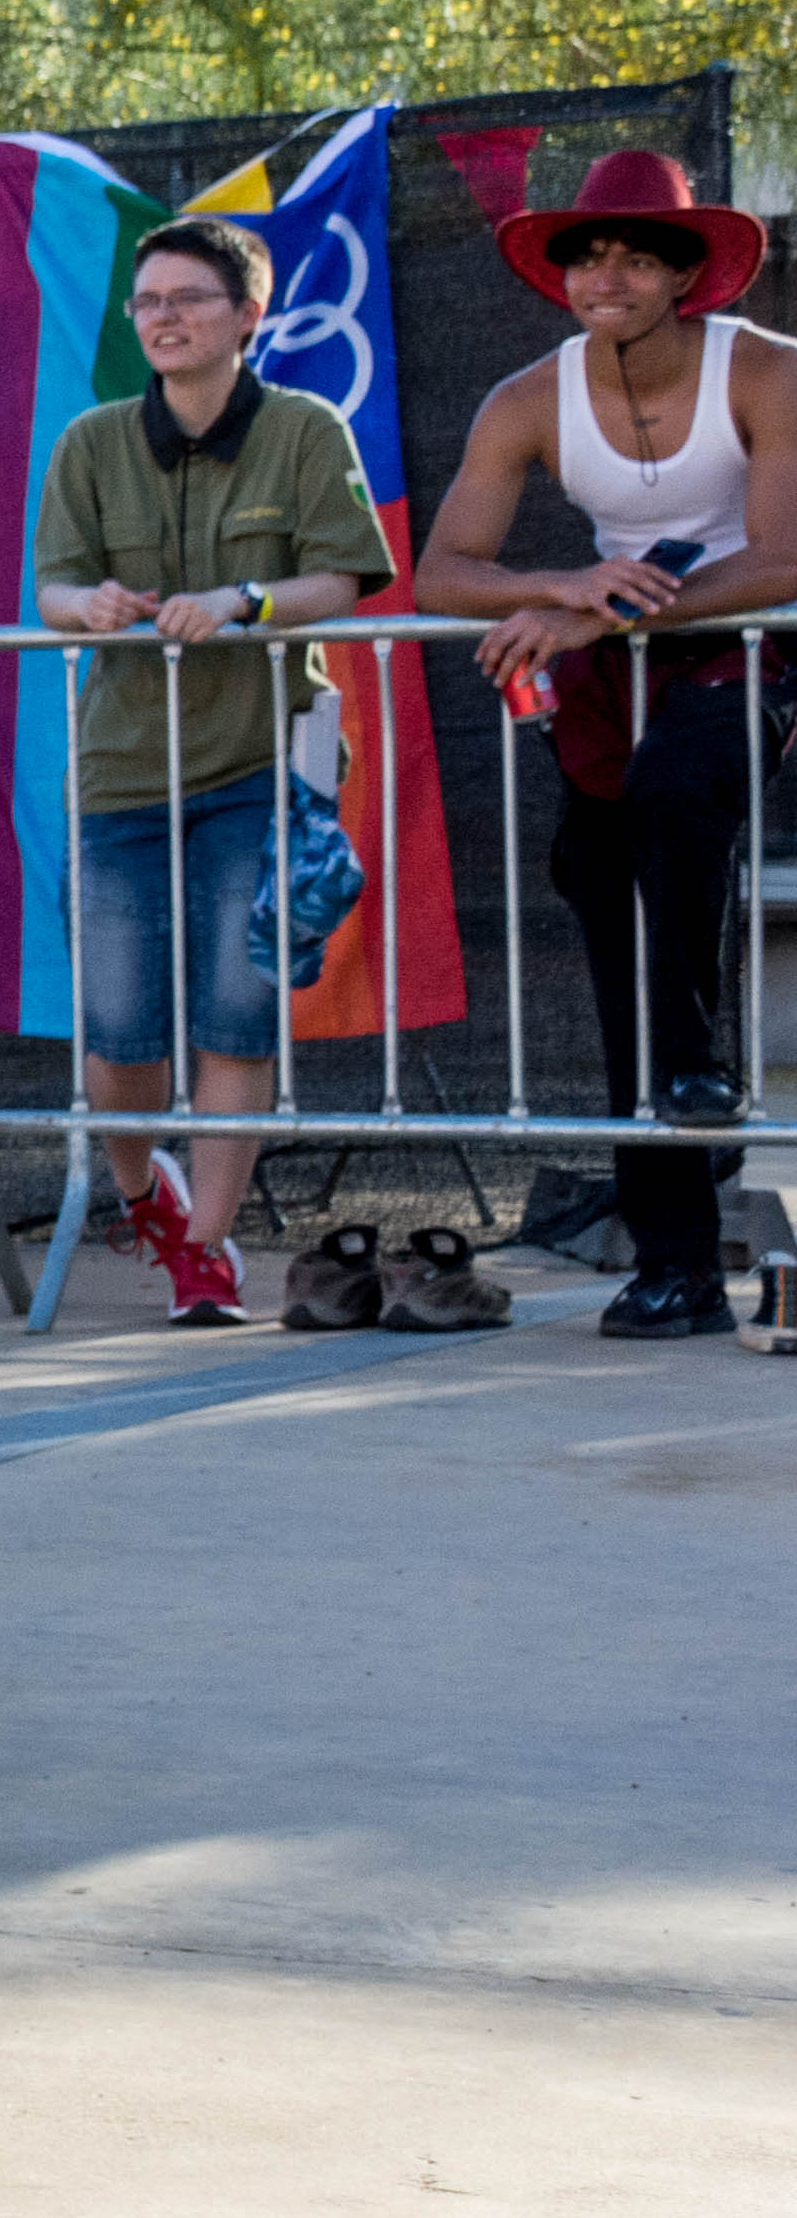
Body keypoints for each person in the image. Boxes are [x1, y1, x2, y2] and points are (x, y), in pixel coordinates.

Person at [418, 147, 797, 1338]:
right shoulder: (528, 397)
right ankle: (676, 1261)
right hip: (611, 667)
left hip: (747, 644)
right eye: (588, 255)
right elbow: (444, 571)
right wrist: (564, 584)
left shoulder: (769, 371)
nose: (607, 276)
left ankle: (708, 1068)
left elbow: (785, 561)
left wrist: (589, 606)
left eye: (637, 255)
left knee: (683, 790)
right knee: (598, 877)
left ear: (688, 275)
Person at [27, 218, 395, 1326]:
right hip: (125, 771)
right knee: (121, 1034)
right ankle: (145, 1192)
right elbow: (52, 592)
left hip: (264, 766)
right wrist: (86, 607)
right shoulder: (91, 442)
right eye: (148, 301)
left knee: (239, 1014)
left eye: (190, 297)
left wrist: (247, 604)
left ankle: (204, 1249)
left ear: (247, 315)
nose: (165, 317)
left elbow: (346, 577)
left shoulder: (303, 427)